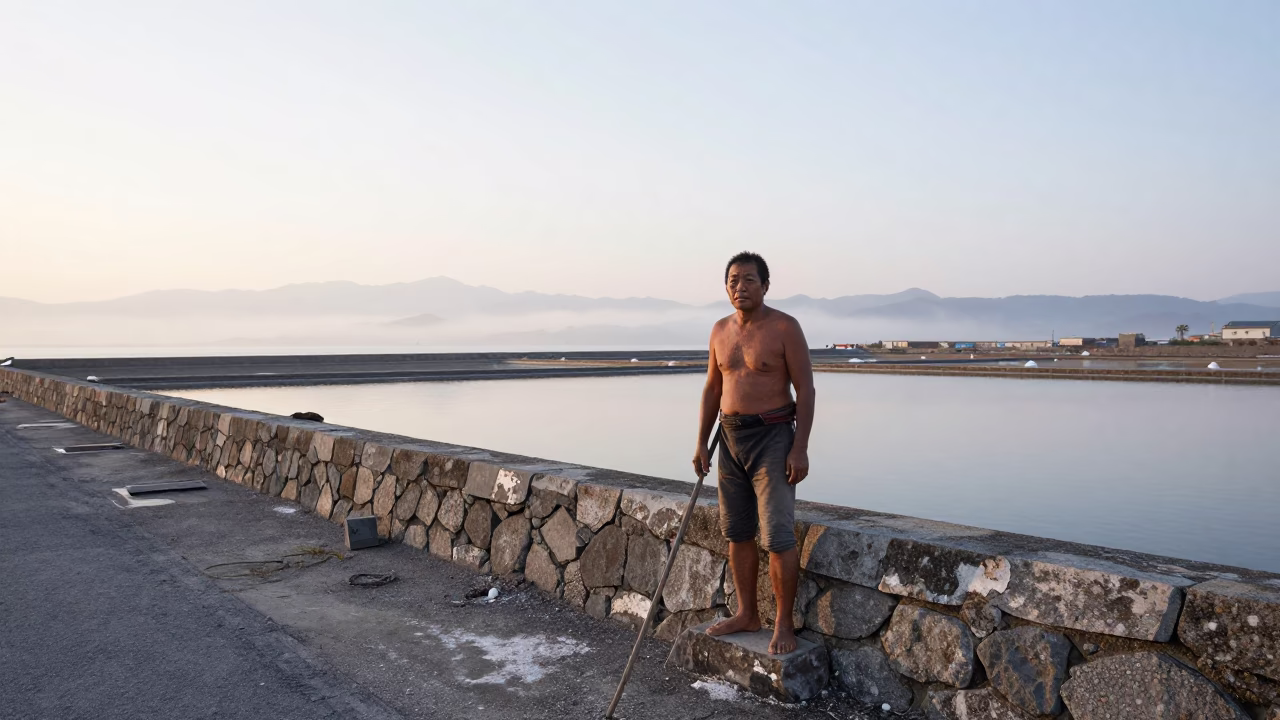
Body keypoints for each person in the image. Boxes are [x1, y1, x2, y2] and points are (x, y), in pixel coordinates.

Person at [693, 251, 815, 655]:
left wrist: (800, 448)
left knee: (778, 536)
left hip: (773, 437)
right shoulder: (718, 330)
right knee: (737, 531)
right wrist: (700, 442)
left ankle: (783, 623)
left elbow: (806, 390)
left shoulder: (784, 327)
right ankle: (747, 613)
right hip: (729, 439)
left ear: (765, 285)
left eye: (748, 280)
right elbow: (713, 389)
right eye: (732, 280)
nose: (739, 287)